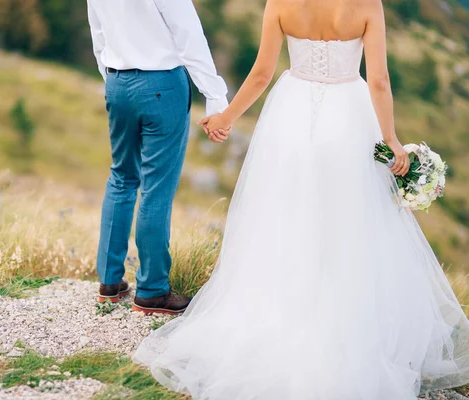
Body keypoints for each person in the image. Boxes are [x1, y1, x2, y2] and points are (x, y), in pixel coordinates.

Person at [133, 0, 469, 398]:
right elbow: (378, 80)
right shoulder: (366, 5)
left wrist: (226, 118)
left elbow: (261, 75)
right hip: (348, 120)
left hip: (290, 120)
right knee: (347, 222)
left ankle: (281, 315)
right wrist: (391, 140)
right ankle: (341, 324)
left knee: (284, 218)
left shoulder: (281, 2)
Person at [86, 0, 230, 314]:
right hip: (162, 85)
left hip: (117, 81)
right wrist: (215, 96)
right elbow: (190, 35)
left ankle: (110, 282)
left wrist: (113, 80)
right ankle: (151, 290)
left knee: (121, 178)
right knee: (156, 189)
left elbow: (99, 35)